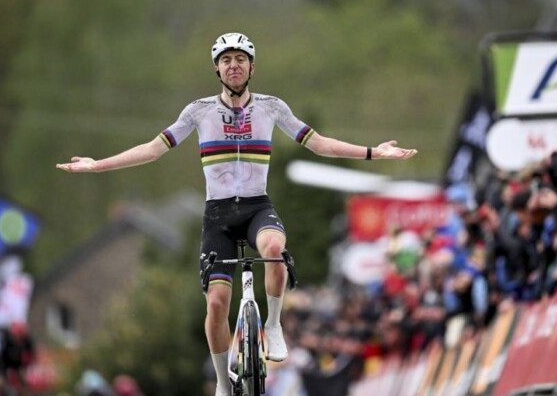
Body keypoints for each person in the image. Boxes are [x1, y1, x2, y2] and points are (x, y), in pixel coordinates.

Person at [57, 32, 417, 395]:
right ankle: (221, 381)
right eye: (226, 60)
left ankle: (272, 325)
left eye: (240, 59)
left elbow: (320, 144)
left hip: (257, 207)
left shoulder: (272, 107)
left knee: (274, 249)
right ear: (217, 69)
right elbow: (153, 150)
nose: (234, 66)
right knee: (216, 304)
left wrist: (374, 152)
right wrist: (98, 164)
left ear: (252, 67)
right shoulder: (198, 111)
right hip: (218, 216)